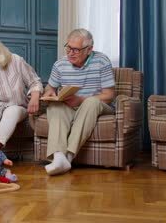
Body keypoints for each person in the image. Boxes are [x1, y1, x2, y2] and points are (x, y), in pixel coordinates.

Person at [42, 28, 115, 176]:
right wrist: (49, 91)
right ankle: (58, 157)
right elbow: (50, 87)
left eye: (76, 50)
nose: (70, 53)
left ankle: (68, 157)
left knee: (91, 102)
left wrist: (81, 99)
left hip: (97, 106)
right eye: (68, 48)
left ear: (89, 49)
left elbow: (109, 95)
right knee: (55, 107)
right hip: (70, 106)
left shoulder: (101, 61)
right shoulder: (60, 64)